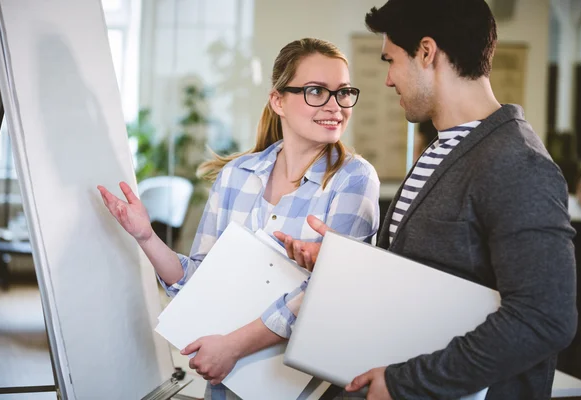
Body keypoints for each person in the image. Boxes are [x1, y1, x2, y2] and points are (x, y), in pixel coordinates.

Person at [274, 1, 577, 399]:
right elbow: (428, 272)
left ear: (427, 52)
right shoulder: (443, 148)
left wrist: (405, 383)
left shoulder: (518, 163)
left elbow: (544, 318)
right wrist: (345, 261)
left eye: (391, 60)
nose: (387, 79)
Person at [97, 38, 380, 400]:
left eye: (343, 93)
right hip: (228, 380)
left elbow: (325, 295)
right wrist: (146, 237)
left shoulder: (354, 179)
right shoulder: (237, 175)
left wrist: (232, 347)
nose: (335, 106)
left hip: (298, 387)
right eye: (316, 91)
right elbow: (198, 279)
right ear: (278, 100)